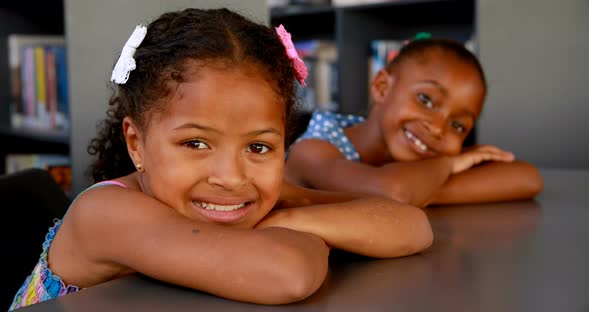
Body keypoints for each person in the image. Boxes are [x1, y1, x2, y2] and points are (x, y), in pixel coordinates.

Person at [10, 8, 433, 310]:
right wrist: (288, 226)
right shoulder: (104, 213)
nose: (231, 177)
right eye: (195, 144)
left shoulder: (258, 192)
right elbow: (288, 273)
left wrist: (294, 219)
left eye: (258, 147)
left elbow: (410, 225)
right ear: (136, 144)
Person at [285, 38, 543, 208]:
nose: (438, 128)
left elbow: (528, 178)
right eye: (426, 100)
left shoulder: (419, 163)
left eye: (458, 126)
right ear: (382, 87)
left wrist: (421, 188)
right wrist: (447, 166)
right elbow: (393, 193)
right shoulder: (312, 150)